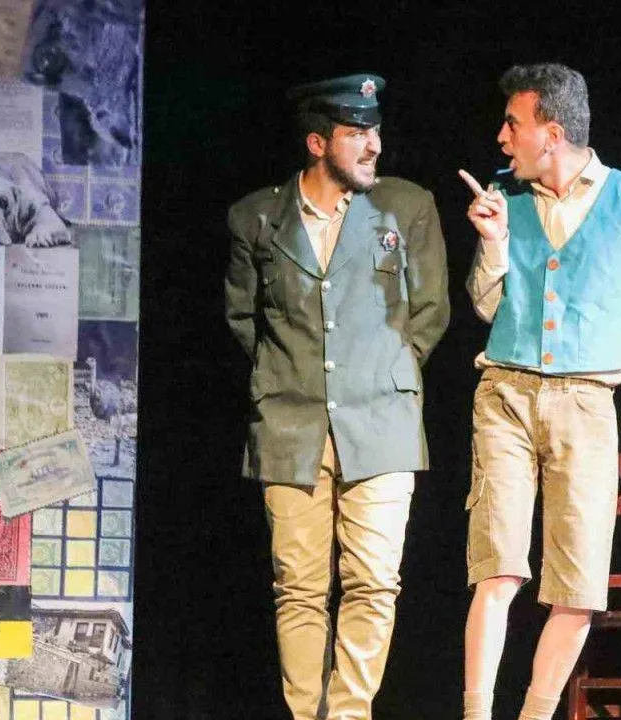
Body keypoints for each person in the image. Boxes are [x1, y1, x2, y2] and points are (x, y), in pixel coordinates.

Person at [459, 63, 621, 720]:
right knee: (498, 567)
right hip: (506, 394)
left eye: (514, 123)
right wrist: (493, 244)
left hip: (588, 403)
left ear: (552, 133)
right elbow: (485, 307)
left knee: (578, 585)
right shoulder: (506, 197)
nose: (502, 137)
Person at [224, 73, 450, 720]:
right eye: (357, 133)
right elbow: (245, 320)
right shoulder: (256, 217)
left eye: (376, 130)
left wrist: (382, 373)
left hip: (382, 421)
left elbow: (430, 312)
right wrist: (289, 378)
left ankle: (350, 715)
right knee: (298, 587)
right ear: (318, 143)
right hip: (290, 424)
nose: (374, 144)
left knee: (374, 581)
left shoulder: (406, 207)